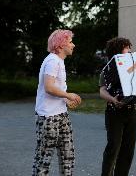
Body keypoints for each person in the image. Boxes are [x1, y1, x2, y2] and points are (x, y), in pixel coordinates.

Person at [32, 29, 81, 176]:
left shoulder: (58, 61)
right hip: (48, 118)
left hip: (61, 115)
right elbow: (49, 87)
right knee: (44, 159)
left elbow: (56, 88)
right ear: (60, 46)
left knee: (68, 156)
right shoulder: (53, 61)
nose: (73, 45)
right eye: (70, 42)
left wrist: (65, 100)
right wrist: (68, 94)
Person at [99, 37, 136, 176]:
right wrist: (112, 99)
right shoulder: (107, 70)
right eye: (127, 48)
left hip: (130, 112)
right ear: (117, 51)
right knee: (113, 147)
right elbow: (102, 91)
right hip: (114, 112)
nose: (130, 50)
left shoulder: (134, 67)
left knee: (128, 149)